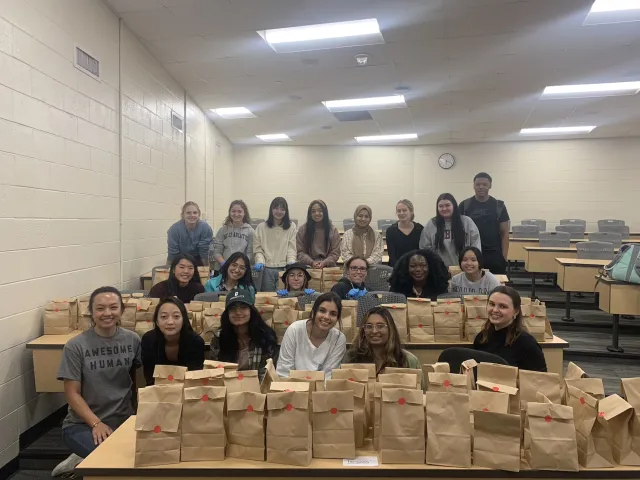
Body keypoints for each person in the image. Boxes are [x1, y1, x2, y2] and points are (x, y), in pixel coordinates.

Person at [52, 287, 141, 477]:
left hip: (124, 422)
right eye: (100, 308)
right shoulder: (75, 346)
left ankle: (85, 459)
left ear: (121, 310)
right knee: (114, 462)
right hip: (83, 424)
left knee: (140, 460)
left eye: (113, 307)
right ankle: (83, 461)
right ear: (91, 312)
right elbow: (72, 393)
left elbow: (136, 381)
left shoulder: (133, 340)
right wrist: (96, 423)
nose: (107, 313)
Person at [473, 286, 547, 371]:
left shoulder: (526, 343)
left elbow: (540, 379)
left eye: (503, 306)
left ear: (516, 312)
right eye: (492, 304)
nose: (495, 310)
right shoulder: (481, 338)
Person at [210, 289, 279, 380]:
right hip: (228, 386)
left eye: (243, 307)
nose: (238, 312)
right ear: (227, 313)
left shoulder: (265, 336)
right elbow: (215, 371)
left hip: (258, 388)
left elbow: (267, 374)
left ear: (251, 310)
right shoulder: (218, 338)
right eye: (233, 308)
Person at [344, 306, 423, 384]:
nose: (374, 331)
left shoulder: (409, 361)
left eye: (380, 326)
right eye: (369, 326)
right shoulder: (351, 358)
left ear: (390, 329)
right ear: (363, 331)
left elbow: (421, 393)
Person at [276, 292, 346, 378]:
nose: (326, 317)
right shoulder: (294, 330)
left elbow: (329, 376)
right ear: (313, 312)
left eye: (333, 314)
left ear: (337, 318)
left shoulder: (339, 339)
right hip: (291, 387)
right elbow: (284, 371)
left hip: (321, 390)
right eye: (322, 311)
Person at [141, 297, 205, 386]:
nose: (170, 322)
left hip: (188, 392)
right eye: (164, 317)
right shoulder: (148, 340)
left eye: (176, 316)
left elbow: (194, 378)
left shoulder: (195, 342)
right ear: (157, 321)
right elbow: (150, 378)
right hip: (157, 392)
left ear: (183, 320)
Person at [459, 172, 510, 274]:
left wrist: (504, 257)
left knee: (495, 286)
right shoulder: (464, 205)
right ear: (473, 186)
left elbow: (504, 233)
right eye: (478, 185)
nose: (481, 187)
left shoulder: (499, 206)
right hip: (471, 254)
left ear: (490, 185)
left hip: (494, 254)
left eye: (484, 184)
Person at [420, 193, 481, 267]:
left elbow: (475, 245)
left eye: (447, 205)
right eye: (441, 206)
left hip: (465, 267)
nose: (444, 209)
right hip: (440, 269)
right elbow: (424, 248)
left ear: (454, 206)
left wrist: (471, 263)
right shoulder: (432, 224)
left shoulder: (466, 222)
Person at [253, 197, 298, 292]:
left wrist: (291, 262)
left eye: (282, 209)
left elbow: (291, 247)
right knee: (268, 297)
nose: (279, 211)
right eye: (276, 208)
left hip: (284, 268)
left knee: (283, 298)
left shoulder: (292, 227)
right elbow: (258, 249)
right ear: (271, 209)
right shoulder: (261, 227)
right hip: (267, 269)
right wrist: (260, 261)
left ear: (286, 211)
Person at [296, 199, 341, 268]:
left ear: (325, 212)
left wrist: (325, 262)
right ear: (310, 214)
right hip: (308, 266)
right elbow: (300, 252)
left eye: (320, 211)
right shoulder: (303, 230)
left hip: (328, 266)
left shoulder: (333, 230)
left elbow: (335, 253)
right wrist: (312, 262)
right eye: (313, 211)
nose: (317, 213)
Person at [166, 201, 213, 267]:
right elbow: (172, 253)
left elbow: (204, 251)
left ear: (199, 214)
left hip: (199, 258)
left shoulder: (205, 228)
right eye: (188, 213)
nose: (192, 215)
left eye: (195, 213)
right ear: (183, 215)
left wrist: (206, 270)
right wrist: (168, 270)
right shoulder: (174, 230)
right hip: (181, 258)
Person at [212, 200, 254, 272]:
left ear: (244, 213)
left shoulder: (250, 231)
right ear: (229, 212)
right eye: (233, 211)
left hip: (239, 270)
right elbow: (217, 251)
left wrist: (240, 266)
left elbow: (250, 253)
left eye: (239, 211)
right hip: (222, 268)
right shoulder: (222, 230)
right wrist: (223, 263)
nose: (236, 214)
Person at [386, 199, 424, 267]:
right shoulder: (391, 231)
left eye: (404, 210)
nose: (401, 213)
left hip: (416, 268)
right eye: (399, 211)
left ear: (411, 211)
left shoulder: (420, 229)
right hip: (398, 268)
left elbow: (422, 253)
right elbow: (392, 257)